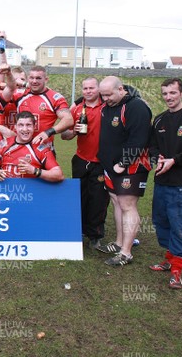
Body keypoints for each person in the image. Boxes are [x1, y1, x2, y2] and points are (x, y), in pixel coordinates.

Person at [148, 78, 182, 288]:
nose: (168, 97)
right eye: (165, 94)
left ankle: (177, 270)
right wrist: (157, 159)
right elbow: (151, 147)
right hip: (162, 180)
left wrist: (174, 161)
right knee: (162, 221)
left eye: (173, 93)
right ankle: (169, 260)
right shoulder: (159, 120)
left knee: (179, 223)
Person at [96, 75, 152, 267]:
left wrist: (123, 163)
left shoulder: (136, 107)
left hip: (131, 166)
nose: (105, 99)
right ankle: (119, 242)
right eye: (102, 95)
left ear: (121, 89)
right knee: (116, 202)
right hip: (110, 167)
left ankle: (126, 253)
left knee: (127, 205)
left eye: (108, 95)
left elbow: (139, 138)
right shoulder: (109, 105)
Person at [61, 77, 109, 250]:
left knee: (99, 200)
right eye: (85, 88)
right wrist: (73, 131)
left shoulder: (107, 106)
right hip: (81, 160)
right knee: (80, 197)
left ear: (98, 89)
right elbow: (64, 136)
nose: (88, 91)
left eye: (92, 88)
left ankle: (95, 236)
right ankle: (79, 231)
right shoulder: (77, 109)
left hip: (101, 162)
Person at [3, 65, 73, 149]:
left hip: (44, 149)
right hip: (21, 149)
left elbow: (68, 120)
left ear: (46, 79)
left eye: (38, 78)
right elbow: (1, 92)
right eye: (31, 78)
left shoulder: (55, 98)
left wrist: (47, 133)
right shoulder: (20, 94)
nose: (34, 81)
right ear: (28, 79)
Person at [0, 111, 64, 182]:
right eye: (21, 125)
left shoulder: (41, 148)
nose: (25, 129)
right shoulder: (4, 145)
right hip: (6, 191)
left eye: (28, 125)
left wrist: (34, 171)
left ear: (34, 126)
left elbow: (59, 175)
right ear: (15, 127)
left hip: (30, 194)